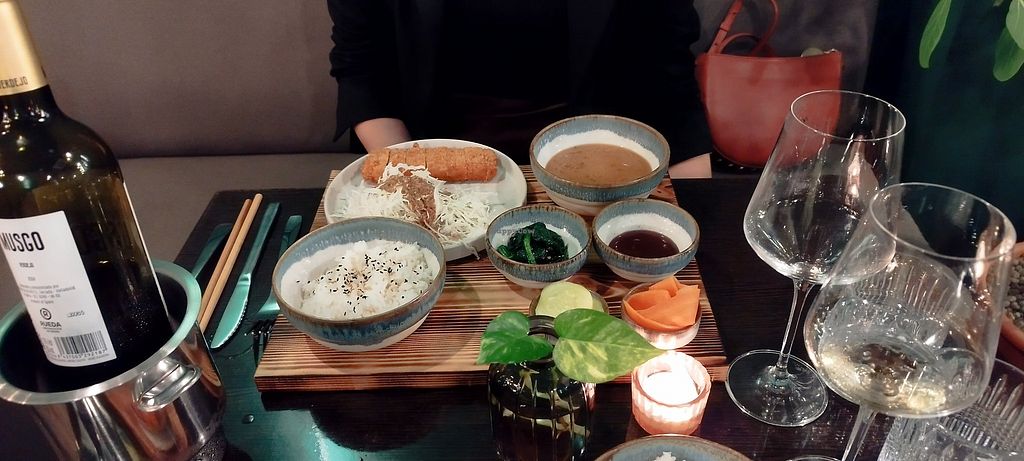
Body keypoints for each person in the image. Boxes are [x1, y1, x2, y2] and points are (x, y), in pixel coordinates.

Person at [327, 0, 712, 177]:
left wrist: (695, 214)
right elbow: (362, 67)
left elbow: (668, 73)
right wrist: (412, 178)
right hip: (427, 152)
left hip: (595, 164)